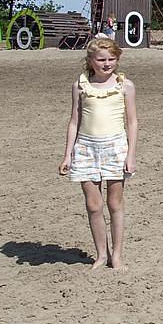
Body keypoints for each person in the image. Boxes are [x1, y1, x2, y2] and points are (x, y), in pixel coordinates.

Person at [58, 36, 137, 270]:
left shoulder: (125, 85)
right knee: (94, 205)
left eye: (111, 59)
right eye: (101, 59)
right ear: (90, 60)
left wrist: (130, 154)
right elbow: (74, 121)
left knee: (115, 203)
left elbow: (132, 122)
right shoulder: (80, 85)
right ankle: (101, 254)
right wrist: (67, 154)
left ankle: (117, 255)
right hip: (86, 148)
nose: (106, 63)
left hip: (115, 147)